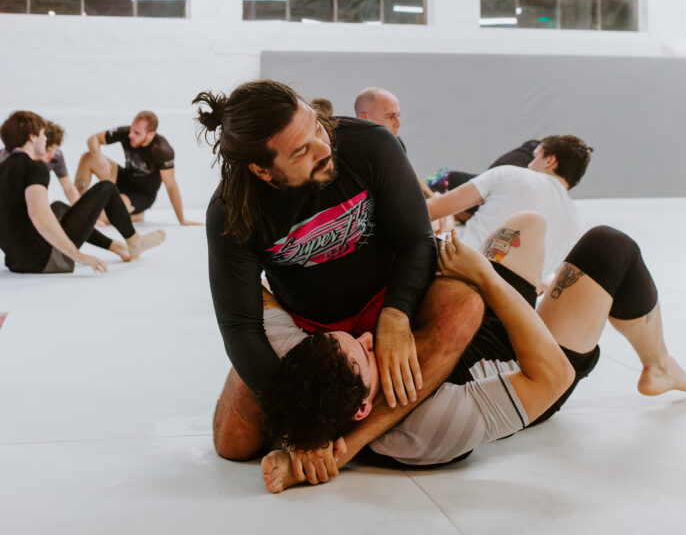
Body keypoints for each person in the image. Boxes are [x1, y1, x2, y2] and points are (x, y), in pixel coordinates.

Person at [260, 212, 686, 492]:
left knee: (528, 225)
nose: (369, 338)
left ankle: (539, 294)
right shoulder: (426, 430)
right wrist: (485, 278)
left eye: (350, 336)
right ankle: (659, 365)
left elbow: (262, 297)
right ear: (363, 410)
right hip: (531, 361)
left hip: (471, 330)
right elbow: (553, 376)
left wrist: (299, 450)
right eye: (365, 353)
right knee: (609, 246)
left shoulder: (308, 370)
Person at [196, 80, 483, 470]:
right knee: (234, 443)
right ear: (263, 171)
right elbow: (240, 326)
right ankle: (328, 423)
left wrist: (397, 314)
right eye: (302, 151)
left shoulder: (370, 144)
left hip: (387, 296)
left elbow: (418, 241)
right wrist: (300, 425)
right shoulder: (230, 210)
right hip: (311, 332)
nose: (323, 148)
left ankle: (349, 443)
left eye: (317, 128)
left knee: (463, 306)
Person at [0, 110, 165, 274]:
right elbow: (39, 216)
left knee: (58, 207)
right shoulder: (34, 167)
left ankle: (114, 245)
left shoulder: (4, 166)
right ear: (32, 137)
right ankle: (134, 241)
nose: (45, 139)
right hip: (43, 261)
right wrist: (78, 255)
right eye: (43, 134)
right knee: (106, 188)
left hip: (15, 262)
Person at [428, 135, 589, 279]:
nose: (529, 165)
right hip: (508, 299)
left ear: (550, 160)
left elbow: (431, 209)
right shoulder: (575, 223)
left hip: (455, 271)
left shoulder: (511, 174)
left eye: (535, 157)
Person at [354, 86, 453, 235]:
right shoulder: (356, 153)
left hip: (411, 205)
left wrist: (435, 201)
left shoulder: (395, 143)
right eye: (390, 117)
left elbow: (411, 178)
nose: (398, 124)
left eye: (398, 116)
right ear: (364, 118)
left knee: (445, 208)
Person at [75, 111, 197, 225]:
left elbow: (171, 185)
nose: (131, 135)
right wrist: (98, 156)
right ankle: (75, 206)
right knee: (88, 157)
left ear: (150, 135)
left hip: (142, 194)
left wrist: (182, 219)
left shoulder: (162, 150)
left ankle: (136, 216)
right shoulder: (127, 133)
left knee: (102, 215)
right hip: (125, 179)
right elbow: (93, 138)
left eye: (137, 133)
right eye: (132, 129)